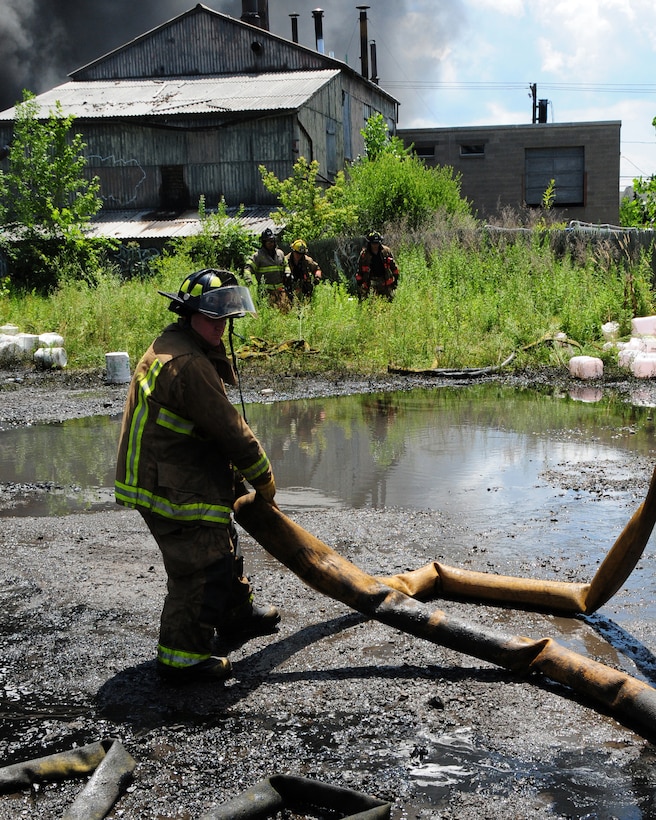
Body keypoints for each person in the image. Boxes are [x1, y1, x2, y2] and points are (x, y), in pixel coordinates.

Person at [115, 268, 280, 683]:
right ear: (189, 314)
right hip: (168, 480)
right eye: (212, 319)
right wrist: (263, 478)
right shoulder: (188, 363)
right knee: (198, 562)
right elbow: (231, 431)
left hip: (177, 467)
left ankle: (235, 614)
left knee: (219, 538)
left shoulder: (181, 343)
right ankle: (182, 656)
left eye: (225, 320)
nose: (220, 328)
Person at [244, 227, 290, 309]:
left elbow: (286, 265)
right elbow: (248, 268)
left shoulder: (280, 254)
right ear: (263, 242)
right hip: (265, 292)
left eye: (272, 241)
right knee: (268, 313)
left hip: (280, 290)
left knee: (284, 312)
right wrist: (248, 278)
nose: (271, 243)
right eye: (268, 242)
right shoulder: (258, 256)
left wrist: (287, 272)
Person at [356, 231, 400, 300]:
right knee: (370, 303)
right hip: (370, 282)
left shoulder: (386, 251)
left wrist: (396, 280)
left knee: (389, 301)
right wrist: (360, 283)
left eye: (377, 243)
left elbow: (393, 267)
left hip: (385, 282)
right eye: (373, 243)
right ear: (370, 243)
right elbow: (360, 269)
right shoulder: (364, 254)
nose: (375, 245)